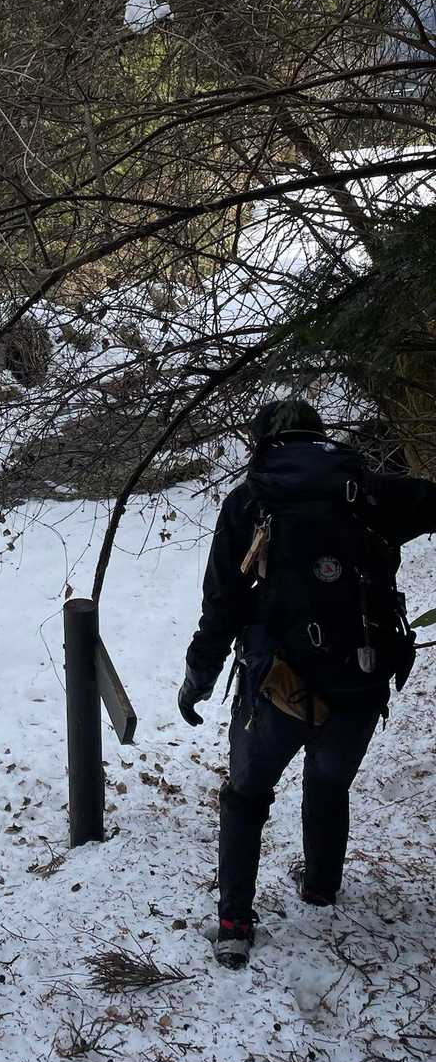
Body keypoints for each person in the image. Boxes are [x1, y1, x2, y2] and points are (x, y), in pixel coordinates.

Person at [179, 399, 436, 970]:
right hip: (361, 679)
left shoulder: (250, 500)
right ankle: (321, 887)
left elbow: (221, 603)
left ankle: (234, 925)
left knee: (246, 796)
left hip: (276, 685)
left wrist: (199, 676)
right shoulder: (371, 492)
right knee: (328, 782)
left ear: (264, 443)